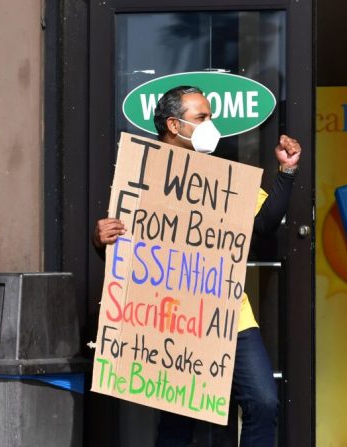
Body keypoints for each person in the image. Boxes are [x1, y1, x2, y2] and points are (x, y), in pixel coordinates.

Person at [92, 85, 300, 447]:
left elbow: (263, 224)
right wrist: (101, 239)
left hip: (227, 313)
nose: (210, 125)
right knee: (178, 419)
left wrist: (286, 171)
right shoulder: (140, 171)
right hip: (169, 316)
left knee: (263, 401)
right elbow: (125, 247)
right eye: (201, 118)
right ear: (174, 125)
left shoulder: (220, 177)